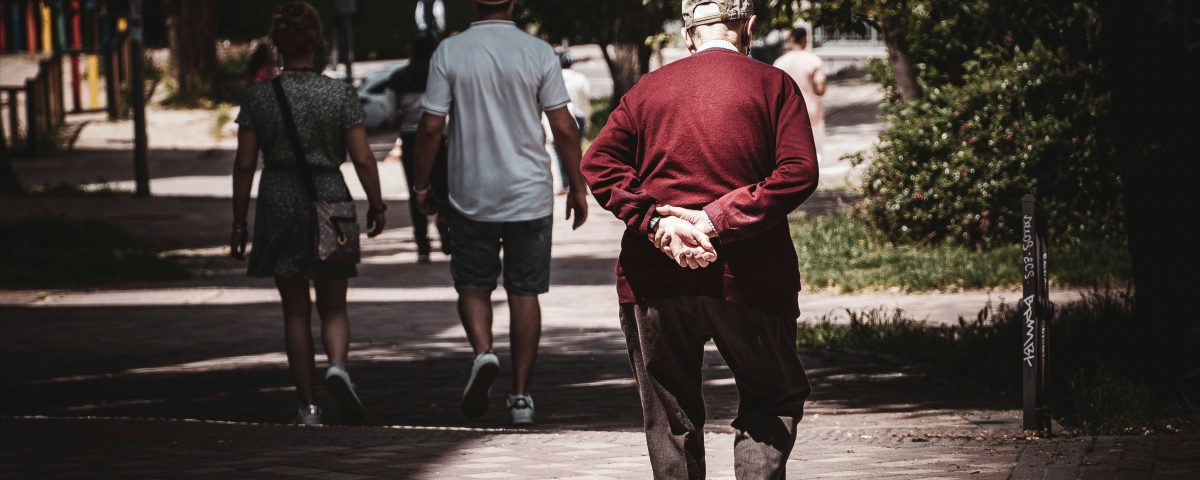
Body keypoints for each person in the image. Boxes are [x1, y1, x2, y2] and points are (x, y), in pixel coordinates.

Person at [581, 0, 818, 477]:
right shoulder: (774, 86)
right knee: (770, 400)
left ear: (687, 36)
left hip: (655, 279)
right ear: (748, 28)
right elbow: (799, 172)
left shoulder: (646, 91)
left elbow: (598, 164)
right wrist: (716, 220)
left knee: (670, 416)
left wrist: (657, 223)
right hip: (750, 278)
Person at [409, 0, 589, 426]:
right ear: (513, 3)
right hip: (529, 193)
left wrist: (421, 186)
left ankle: (483, 353)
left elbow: (431, 126)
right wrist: (578, 186)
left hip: (470, 194)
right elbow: (564, 126)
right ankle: (521, 397)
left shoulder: (450, 52)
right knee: (525, 292)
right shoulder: (538, 51)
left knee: (473, 284)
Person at [230, 1, 387, 427]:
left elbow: (245, 163)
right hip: (329, 196)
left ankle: (309, 406)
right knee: (334, 305)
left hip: (279, 197)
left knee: (295, 311)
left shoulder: (259, 96)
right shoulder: (338, 92)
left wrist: (239, 219)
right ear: (317, 41)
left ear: (276, 44)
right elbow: (362, 157)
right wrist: (375, 203)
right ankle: (337, 365)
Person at [388, 33, 449, 262]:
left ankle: (422, 244)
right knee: (443, 186)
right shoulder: (441, 76)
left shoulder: (398, 78)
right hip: (440, 137)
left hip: (411, 138)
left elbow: (389, 111)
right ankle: (445, 220)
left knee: (417, 189)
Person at [773, 26, 827, 160]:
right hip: (811, 110)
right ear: (805, 39)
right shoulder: (813, 61)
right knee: (815, 151)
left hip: (787, 112)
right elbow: (819, 90)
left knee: (793, 150)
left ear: (791, 40)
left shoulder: (779, 63)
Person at [554, 50, 590, 193]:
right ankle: (580, 183)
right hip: (579, 117)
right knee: (576, 150)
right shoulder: (580, 78)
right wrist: (587, 119)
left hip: (560, 116)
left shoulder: (555, 78)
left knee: (559, 150)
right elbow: (586, 101)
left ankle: (565, 183)